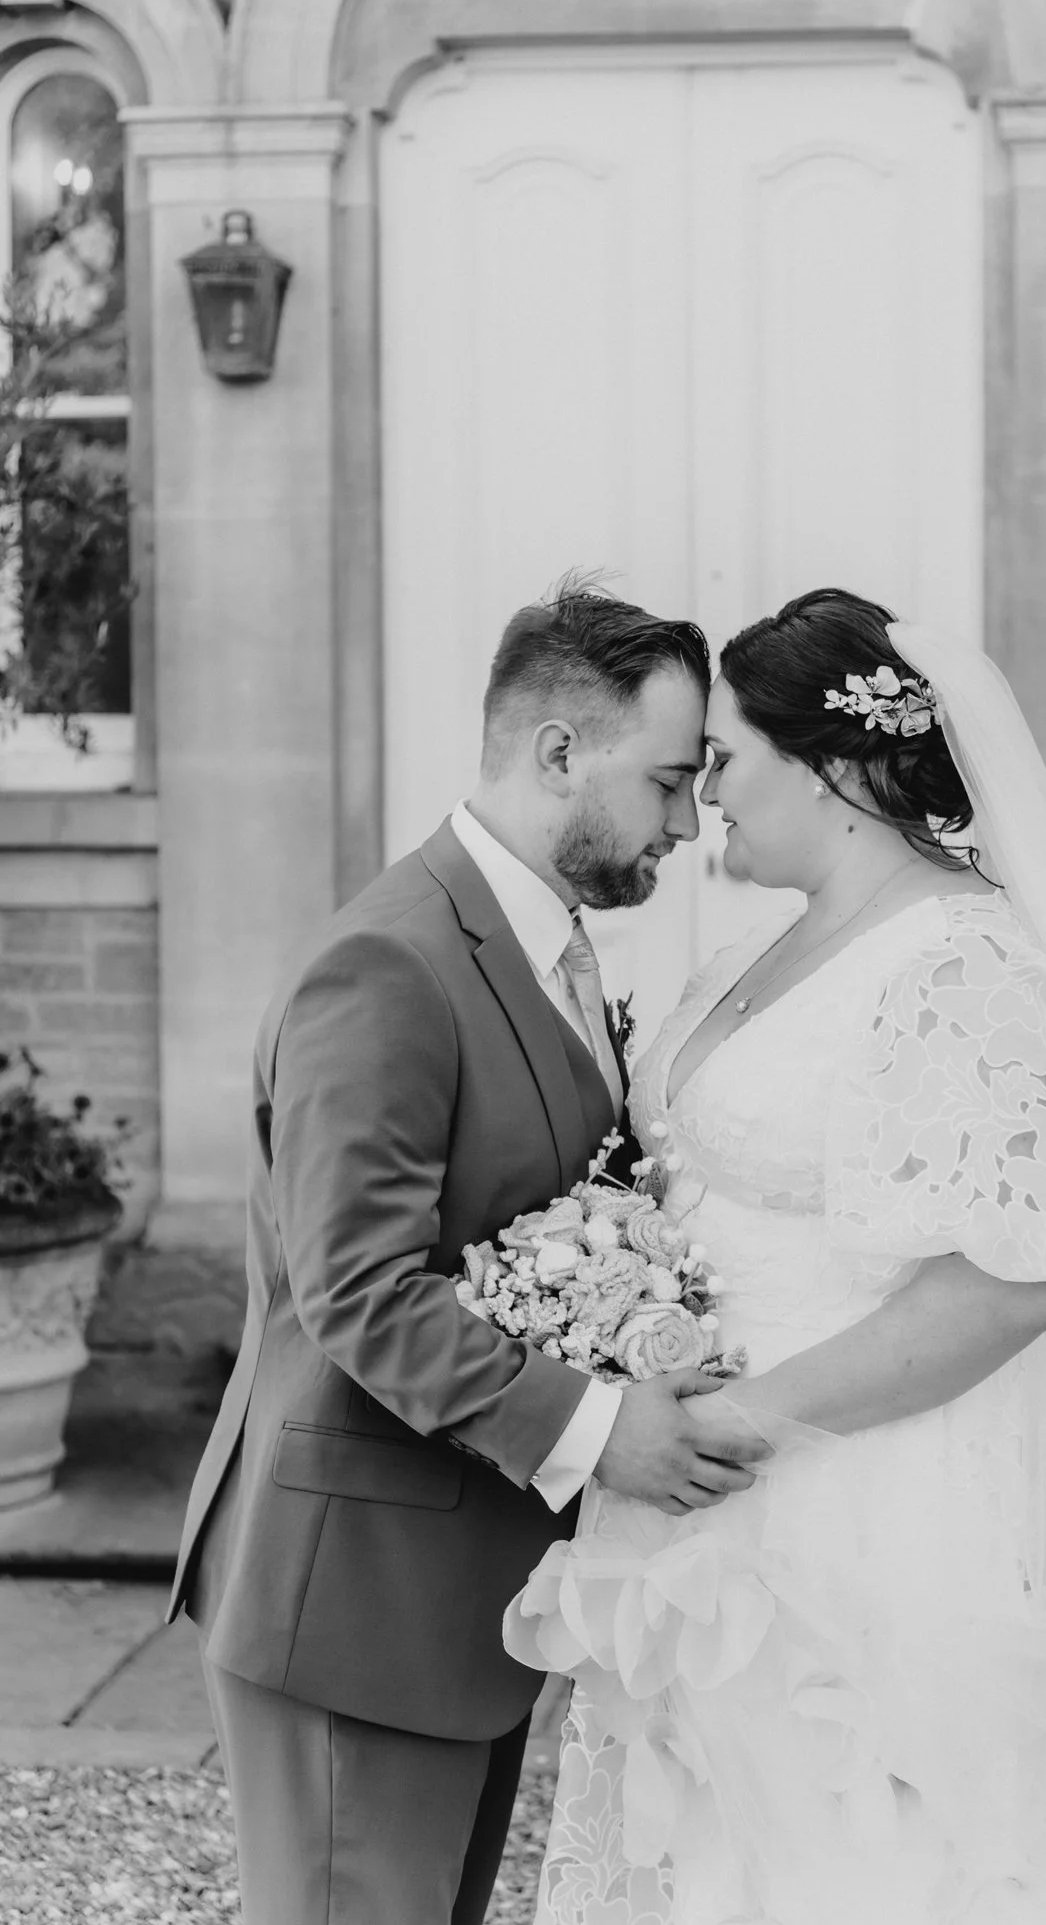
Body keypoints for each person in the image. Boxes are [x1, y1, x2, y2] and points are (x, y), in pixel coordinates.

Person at [507, 587, 1046, 1924]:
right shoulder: (749, 958)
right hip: (699, 1494)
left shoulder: (963, 966)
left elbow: (1013, 1285)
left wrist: (732, 1421)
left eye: (726, 755)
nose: (704, 791)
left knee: (861, 1860)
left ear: (831, 765)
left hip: (864, 1506)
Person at [166, 577, 773, 1925]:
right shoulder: (385, 966)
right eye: (669, 781)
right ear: (560, 751)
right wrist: (599, 1432)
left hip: (452, 1593)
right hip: (352, 1598)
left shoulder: (533, 942)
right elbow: (360, 1293)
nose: (687, 822)